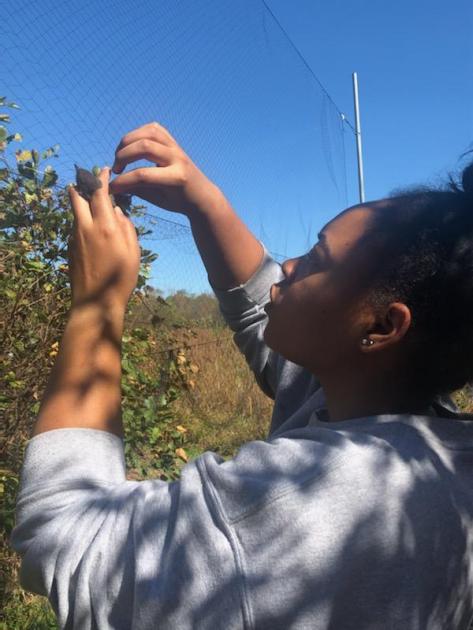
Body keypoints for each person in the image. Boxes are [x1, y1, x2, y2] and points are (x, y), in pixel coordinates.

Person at [11, 122, 473, 629]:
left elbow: (66, 534)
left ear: (382, 326)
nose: (287, 267)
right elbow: (264, 309)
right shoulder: (399, 413)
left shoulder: (315, 507)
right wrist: (202, 201)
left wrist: (97, 302)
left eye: (315, 259)